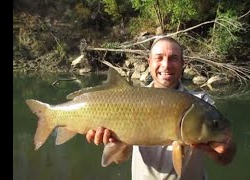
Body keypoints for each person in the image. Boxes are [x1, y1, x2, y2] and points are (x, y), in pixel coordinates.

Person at [85, 37, 236, 180]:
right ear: (149, 62)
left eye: (173, 58)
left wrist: (224, 150)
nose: (166, 65)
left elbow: (225, 158)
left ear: (182, 63)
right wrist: (111, 141)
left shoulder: (202, 103)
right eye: (159, 58)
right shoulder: (131, 101)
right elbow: (120, 158)